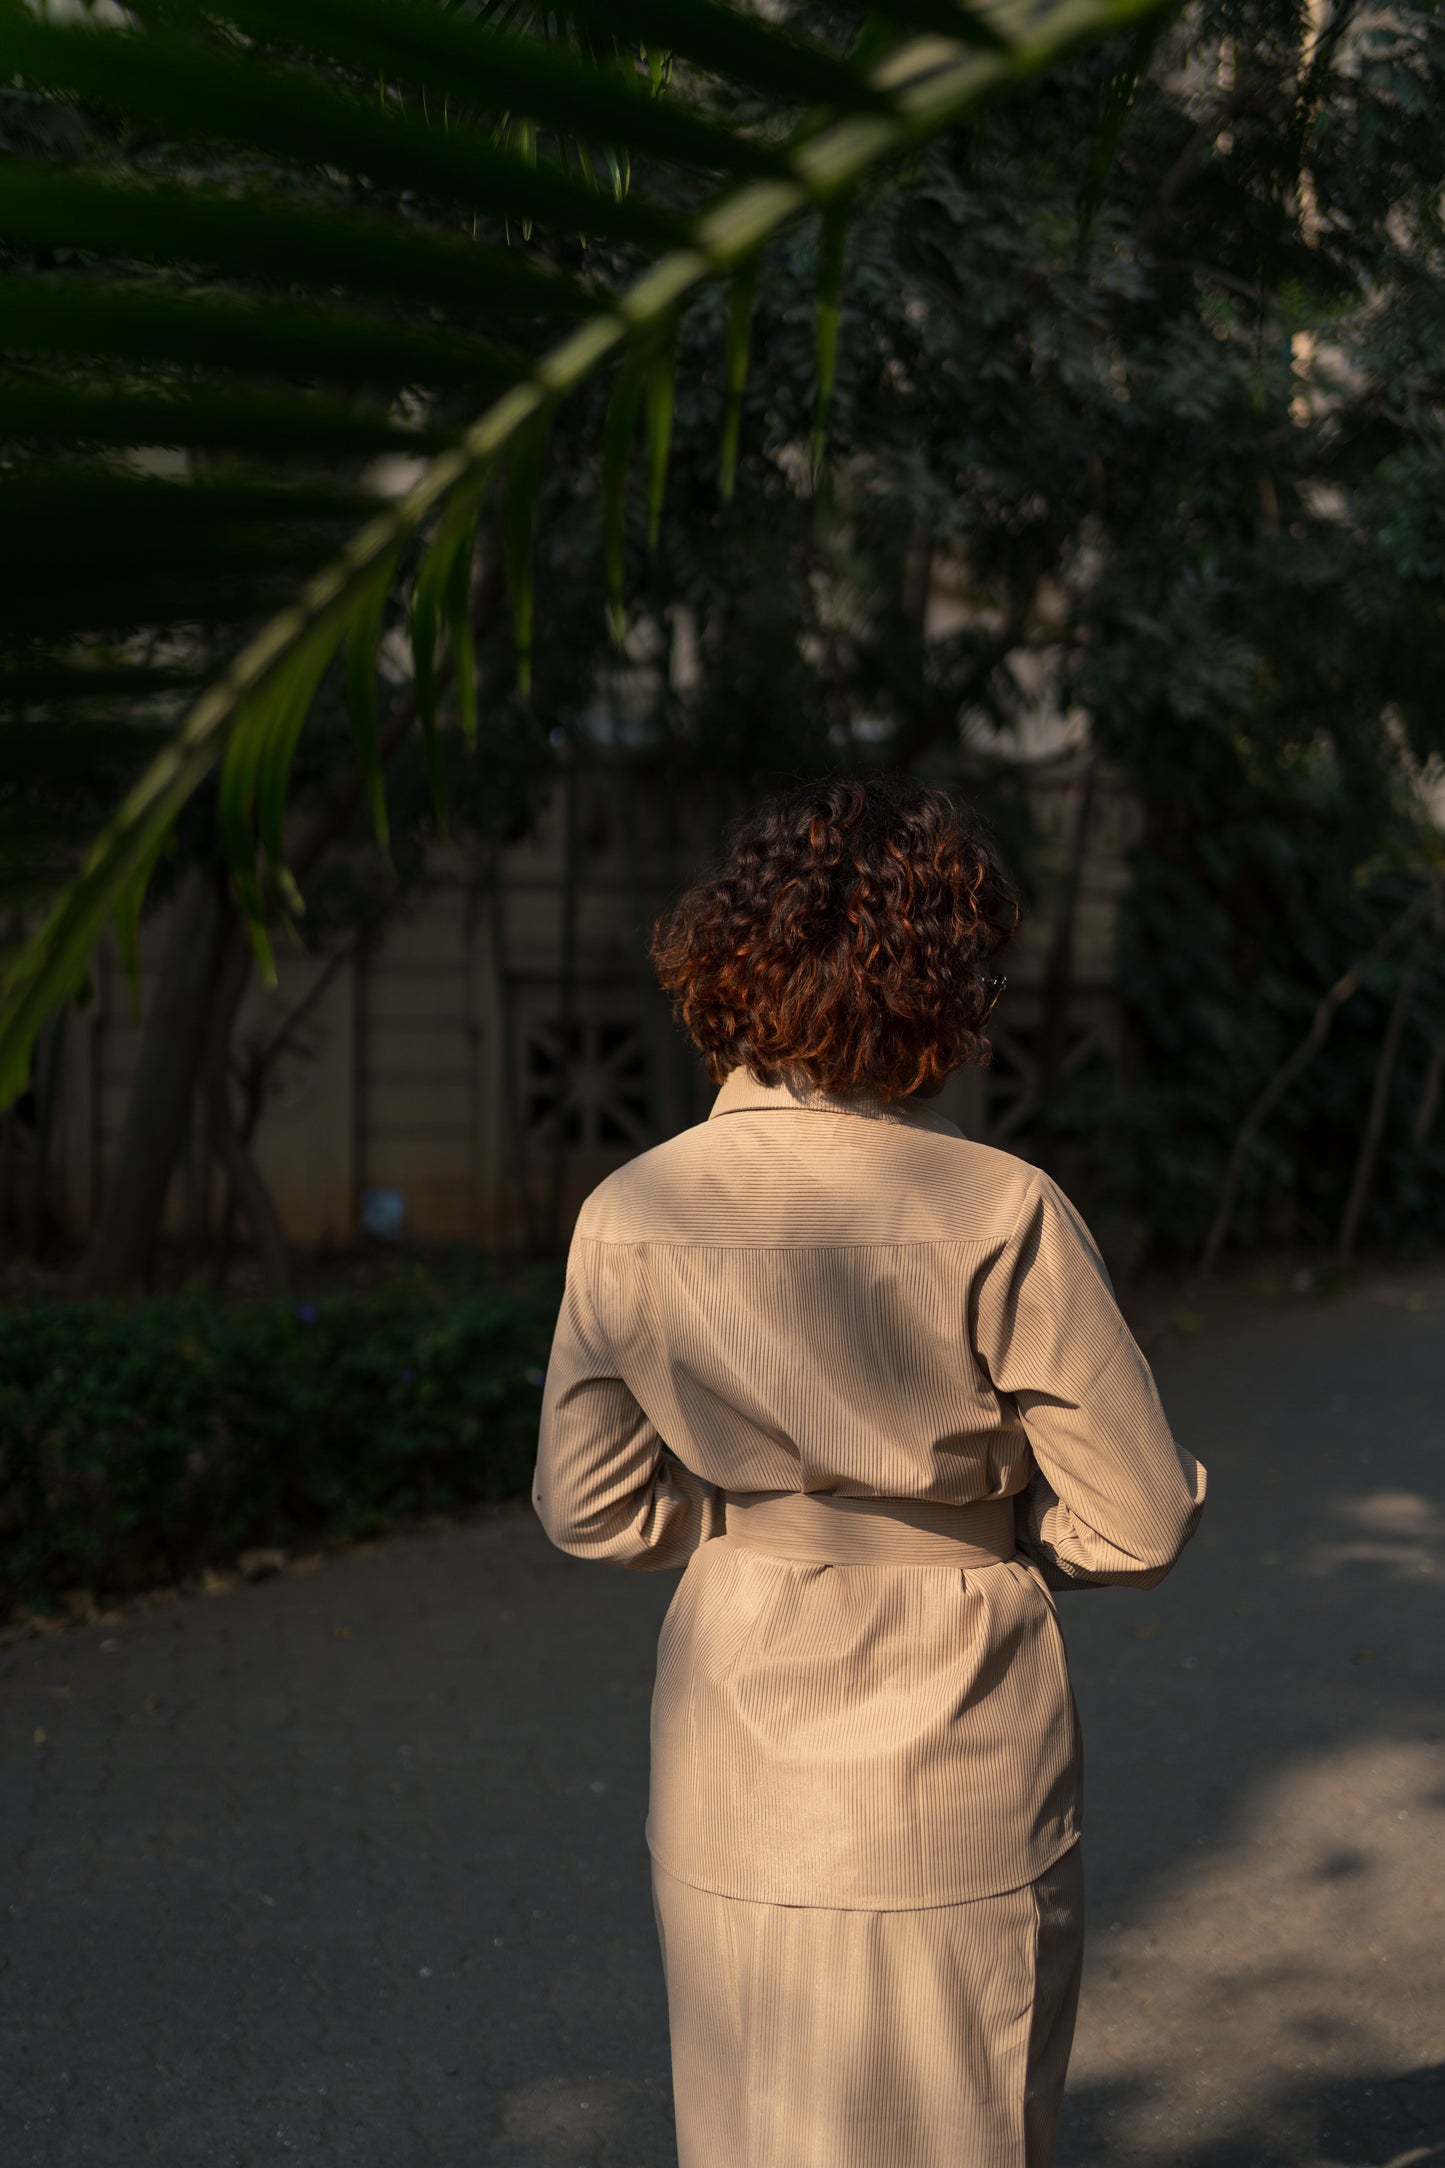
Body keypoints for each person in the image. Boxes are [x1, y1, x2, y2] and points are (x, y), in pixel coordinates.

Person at [532, 776, 1207, 2168]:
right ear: (938, 988)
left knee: (751, 2127)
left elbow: (585, 1504)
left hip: (731, 1731)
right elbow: (1136, 1520)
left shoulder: (632, 1210)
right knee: (959, 2123)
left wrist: (746, 1522)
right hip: (956, 1731)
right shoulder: (1000, 1210)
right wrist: (1002, 1531)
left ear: (731, 965)